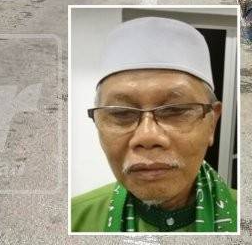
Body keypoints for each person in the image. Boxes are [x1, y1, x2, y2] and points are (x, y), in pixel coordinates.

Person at [71, 17, 236, 233]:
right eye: (121, 113)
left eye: (176, 111)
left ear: (212, 122)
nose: (147, 137)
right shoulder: (73, 220)